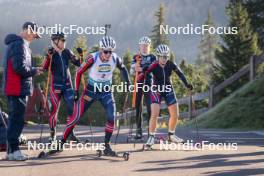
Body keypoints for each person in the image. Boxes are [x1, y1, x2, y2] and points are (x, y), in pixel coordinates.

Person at [60, 36, 130, 155]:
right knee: (76, 116)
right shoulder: (93, 57)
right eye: (106, 51)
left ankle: (106, 146)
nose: (108, 54)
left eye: (110, 51)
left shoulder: (115, 58)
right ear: (101, 49)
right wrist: (76, 91)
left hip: (106, 91)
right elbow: (79, 72)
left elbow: (123, 69)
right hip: (91, 91)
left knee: (111, 117)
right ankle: (60, 143)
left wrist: (128, 84)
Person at [138, 44, 193, 148]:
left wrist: (187, 84)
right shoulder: (154, 65)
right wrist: (144, 71)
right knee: (154, 114)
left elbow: (180, 74)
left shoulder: (171, 64)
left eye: (166, 56)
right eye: (162, 56)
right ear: (158, 56)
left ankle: (171, 135)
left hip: (168, 89)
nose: (164, 59)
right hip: (156, 90)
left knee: (175, 114)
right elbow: (143, 75)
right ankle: (151, 137)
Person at [2, 22, 43, 160]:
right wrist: (34, 71)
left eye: (36, 36)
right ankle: (14, 151)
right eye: (33, 34)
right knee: (17, 120)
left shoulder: (18, 44)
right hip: (17, 88)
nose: (34, 37)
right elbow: (19, 68)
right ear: (26, 30)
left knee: (15, 120)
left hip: (15, 87)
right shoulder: (20, 44)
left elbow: (19, 66)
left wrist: (33, 69)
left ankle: (11, 151)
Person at [42, 32, 81, 143]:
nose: (64, 42)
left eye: (65, 40)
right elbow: (45, 68)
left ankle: (70, 133)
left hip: (68, 85)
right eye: (62, 40)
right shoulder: (50, 52)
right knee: (54, 110)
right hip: (56, 86)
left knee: (72, 107)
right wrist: (48, 57)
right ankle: (52, 135)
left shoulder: (67, 51)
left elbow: (78, 63)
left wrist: (81, 55)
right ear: (55, 41)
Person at [130, 36, 156, 139]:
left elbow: (153, 69)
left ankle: (150, 131)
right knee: (138, 108)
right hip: (138, 84)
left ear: (149, 46)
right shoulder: (136, 57)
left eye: (147, 46)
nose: (145, 47)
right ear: (139, 46)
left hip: (149, 85)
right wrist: (137, 68)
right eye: (143, 46)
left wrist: (141, 68)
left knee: (150, 108)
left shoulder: (153, 57)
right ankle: (139, 131)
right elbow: (132, 71)